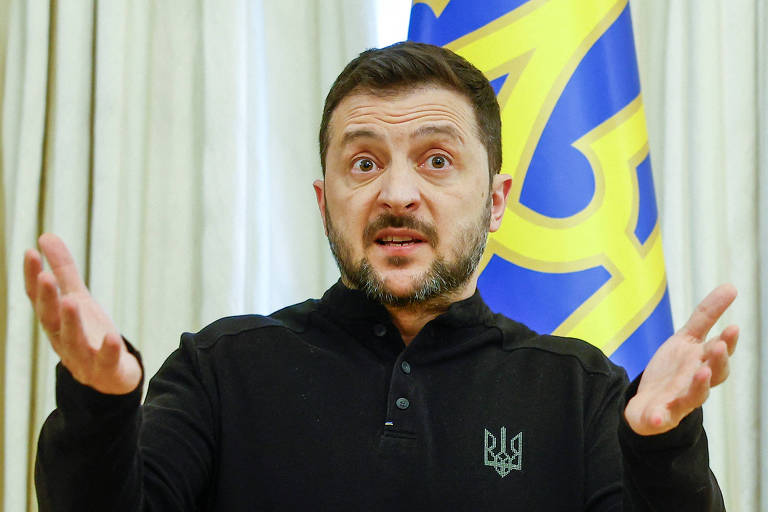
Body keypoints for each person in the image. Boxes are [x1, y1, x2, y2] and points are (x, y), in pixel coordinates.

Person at [28, 42, 738, 511]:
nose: (397, 194)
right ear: (323, 200)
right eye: (364, 164)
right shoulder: (220, 372)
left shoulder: (582, 394)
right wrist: (99, 407)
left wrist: (663, 449)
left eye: (436, 160)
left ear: (496, 201)